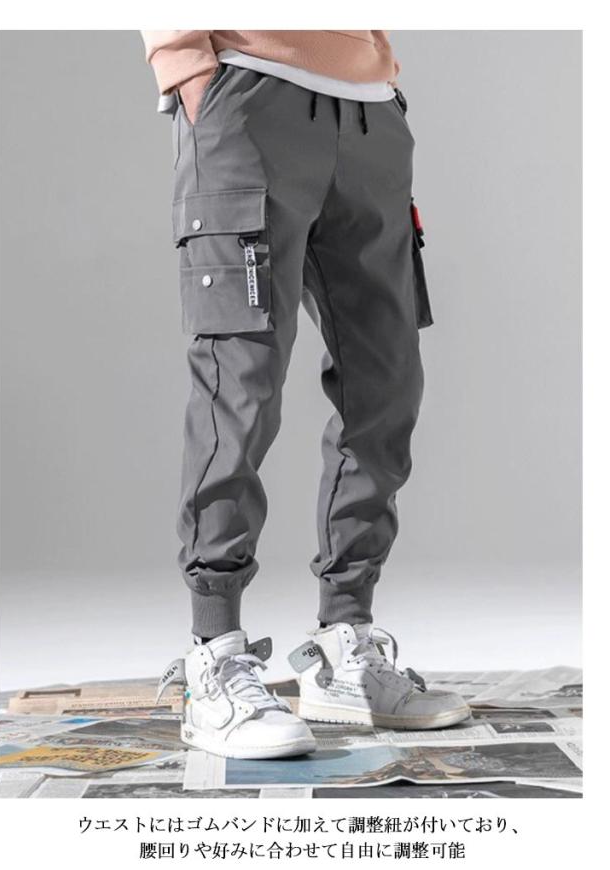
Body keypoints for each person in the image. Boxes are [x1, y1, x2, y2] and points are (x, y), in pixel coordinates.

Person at [142, 30, 470, 760]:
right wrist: (186, 64)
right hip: (247, 91)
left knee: (386, 385)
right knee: (240, 386)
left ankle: (344, 648)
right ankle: (214, 655)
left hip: (370, 113)